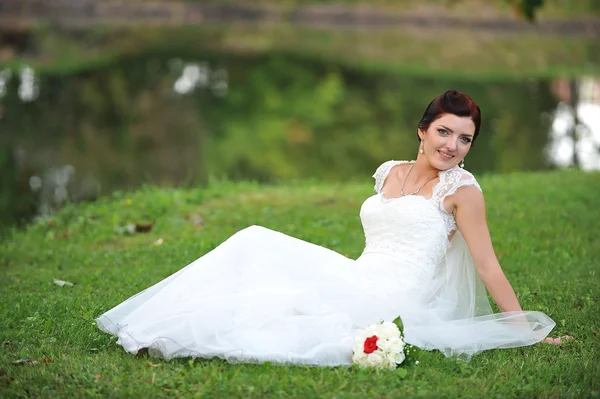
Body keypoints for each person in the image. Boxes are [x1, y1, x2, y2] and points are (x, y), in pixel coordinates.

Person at [97, 90, 560, 366]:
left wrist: (524, 330)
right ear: (422, 130)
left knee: (261, 246)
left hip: (394, 297)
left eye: (465, 138)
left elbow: (487, 264)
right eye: (444, 131)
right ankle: (167, 321)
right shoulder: (388, 172)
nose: (453, 145)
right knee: (255, 241)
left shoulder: (463, 191)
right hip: (362, 273)